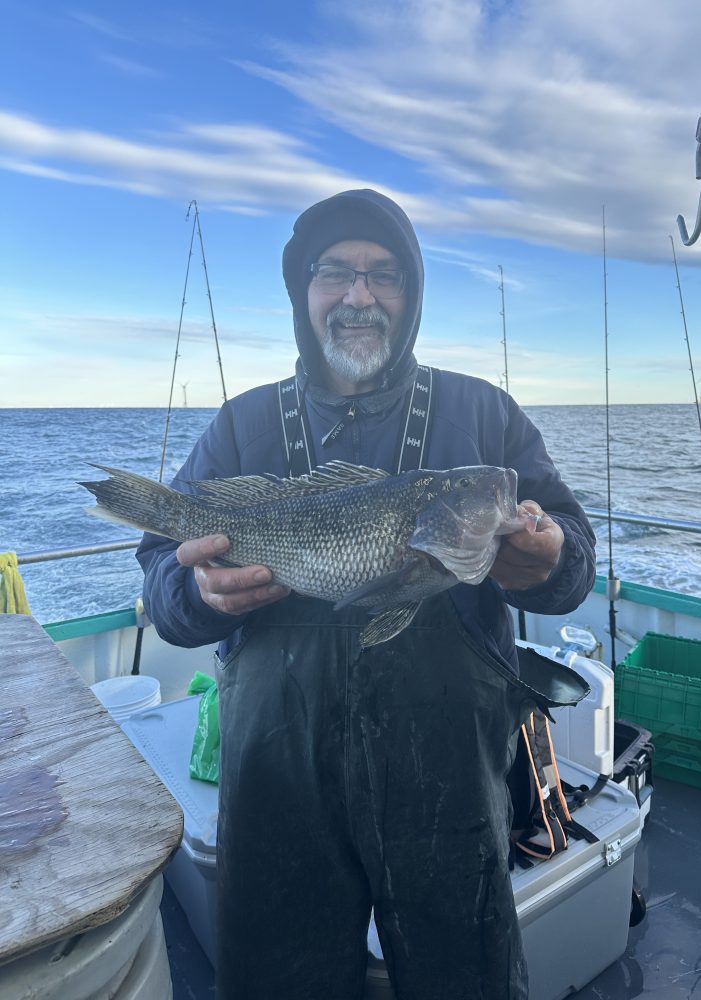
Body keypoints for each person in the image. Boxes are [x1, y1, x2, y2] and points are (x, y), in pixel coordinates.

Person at [138, 188, 596, 1000]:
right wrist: (202, 592)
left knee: (467, 976)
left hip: (449, 781)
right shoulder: (240, 427)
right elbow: (164, 589)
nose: (360, 296)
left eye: (385, 276)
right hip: (277, 786)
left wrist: (552, 563)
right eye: (337, 273)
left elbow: (574, 557)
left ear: (411, 295)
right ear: (302, 290)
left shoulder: (484, 415)